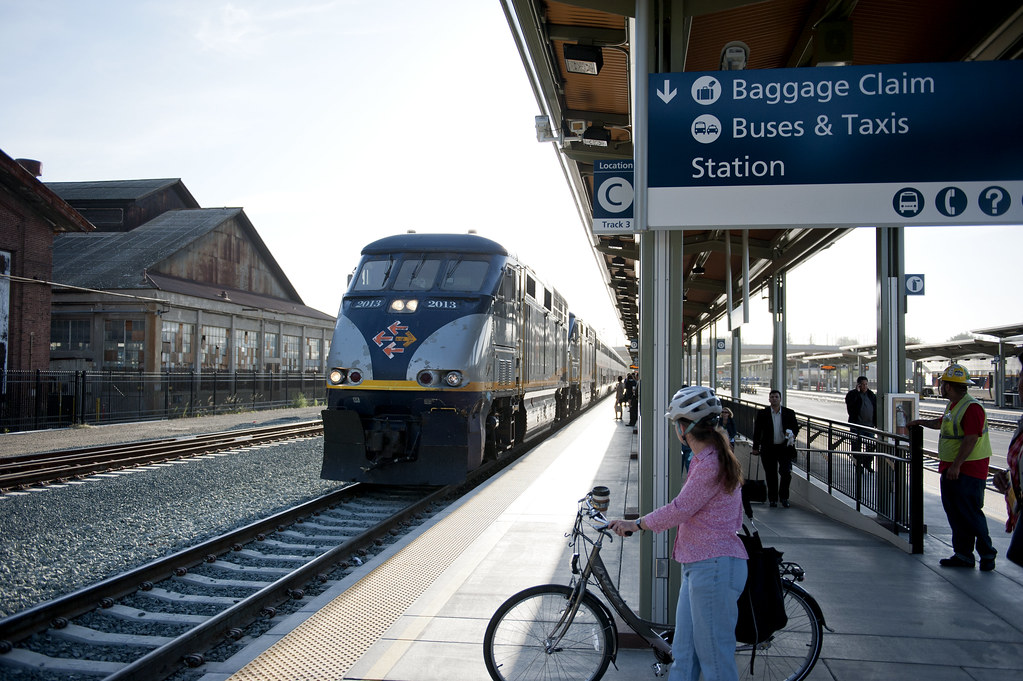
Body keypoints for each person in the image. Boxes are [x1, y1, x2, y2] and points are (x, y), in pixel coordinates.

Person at [607, 385, 747, 681]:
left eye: (675, 423)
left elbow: (680, 509)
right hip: (699, 567)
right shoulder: (705, 459)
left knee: (715, 662)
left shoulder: (710, 464)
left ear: (684, 427)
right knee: (684, 655)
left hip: (714, 568)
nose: (675, 429)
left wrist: (637, 524)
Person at [909, 363, 996, 571]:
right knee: (956, 513)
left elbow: (971, 439)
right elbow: (943, 423)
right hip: (951, 468)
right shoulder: (954, 405)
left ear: (948, 387)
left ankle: (987, 554)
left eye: (942, 384)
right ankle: (963, 555)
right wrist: (920, 422)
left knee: (971, 513)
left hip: (968, 470)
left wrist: (957, 465)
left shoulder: (972, 407)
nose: (940, 387)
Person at [751, 389, 799, 508]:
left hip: (784, 448)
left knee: (786, 473)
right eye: (772, 397)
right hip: (768, 448)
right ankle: (773, 499)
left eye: (776, 397)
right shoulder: (763, 413)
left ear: (780, 399)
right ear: (769, 399)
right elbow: (757, 431)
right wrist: (755, 447)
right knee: (771, 474)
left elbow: (795, 428)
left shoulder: (789, 413)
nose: (774, 399)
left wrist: (792, 435)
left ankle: (784, 497)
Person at [845, 376, 877, 470]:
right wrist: (857, 393)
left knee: (871, 445)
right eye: (862, 384)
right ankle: (858, 465)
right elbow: (850, 406)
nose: (864, 386)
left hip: (869, 426)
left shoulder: (871, 394)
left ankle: (867, 463)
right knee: (856, 446)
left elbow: (875, 407)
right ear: (858, 384)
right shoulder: (852, 394)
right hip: (857, 425)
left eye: (866, 384)